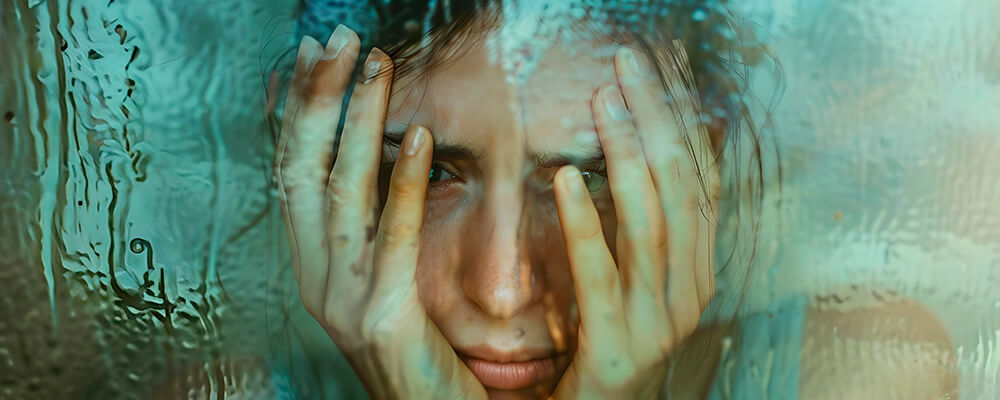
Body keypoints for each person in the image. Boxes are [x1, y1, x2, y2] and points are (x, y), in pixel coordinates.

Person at [273, 1, 958, 398]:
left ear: (700, 168)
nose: (504, 291)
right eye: (429, 175)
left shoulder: (860, 375)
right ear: (314, 164)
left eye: (590, 176)